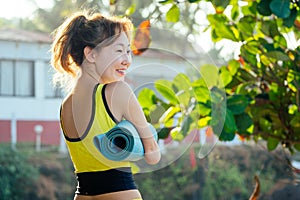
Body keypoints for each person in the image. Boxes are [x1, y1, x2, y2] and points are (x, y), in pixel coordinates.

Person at [51, 11, 161, 200]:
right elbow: (152, 156)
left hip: (82, 195)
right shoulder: (118, 91)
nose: (127, 60)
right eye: (119, 51)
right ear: (91, 54)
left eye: (128, 51)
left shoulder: (66, 105)